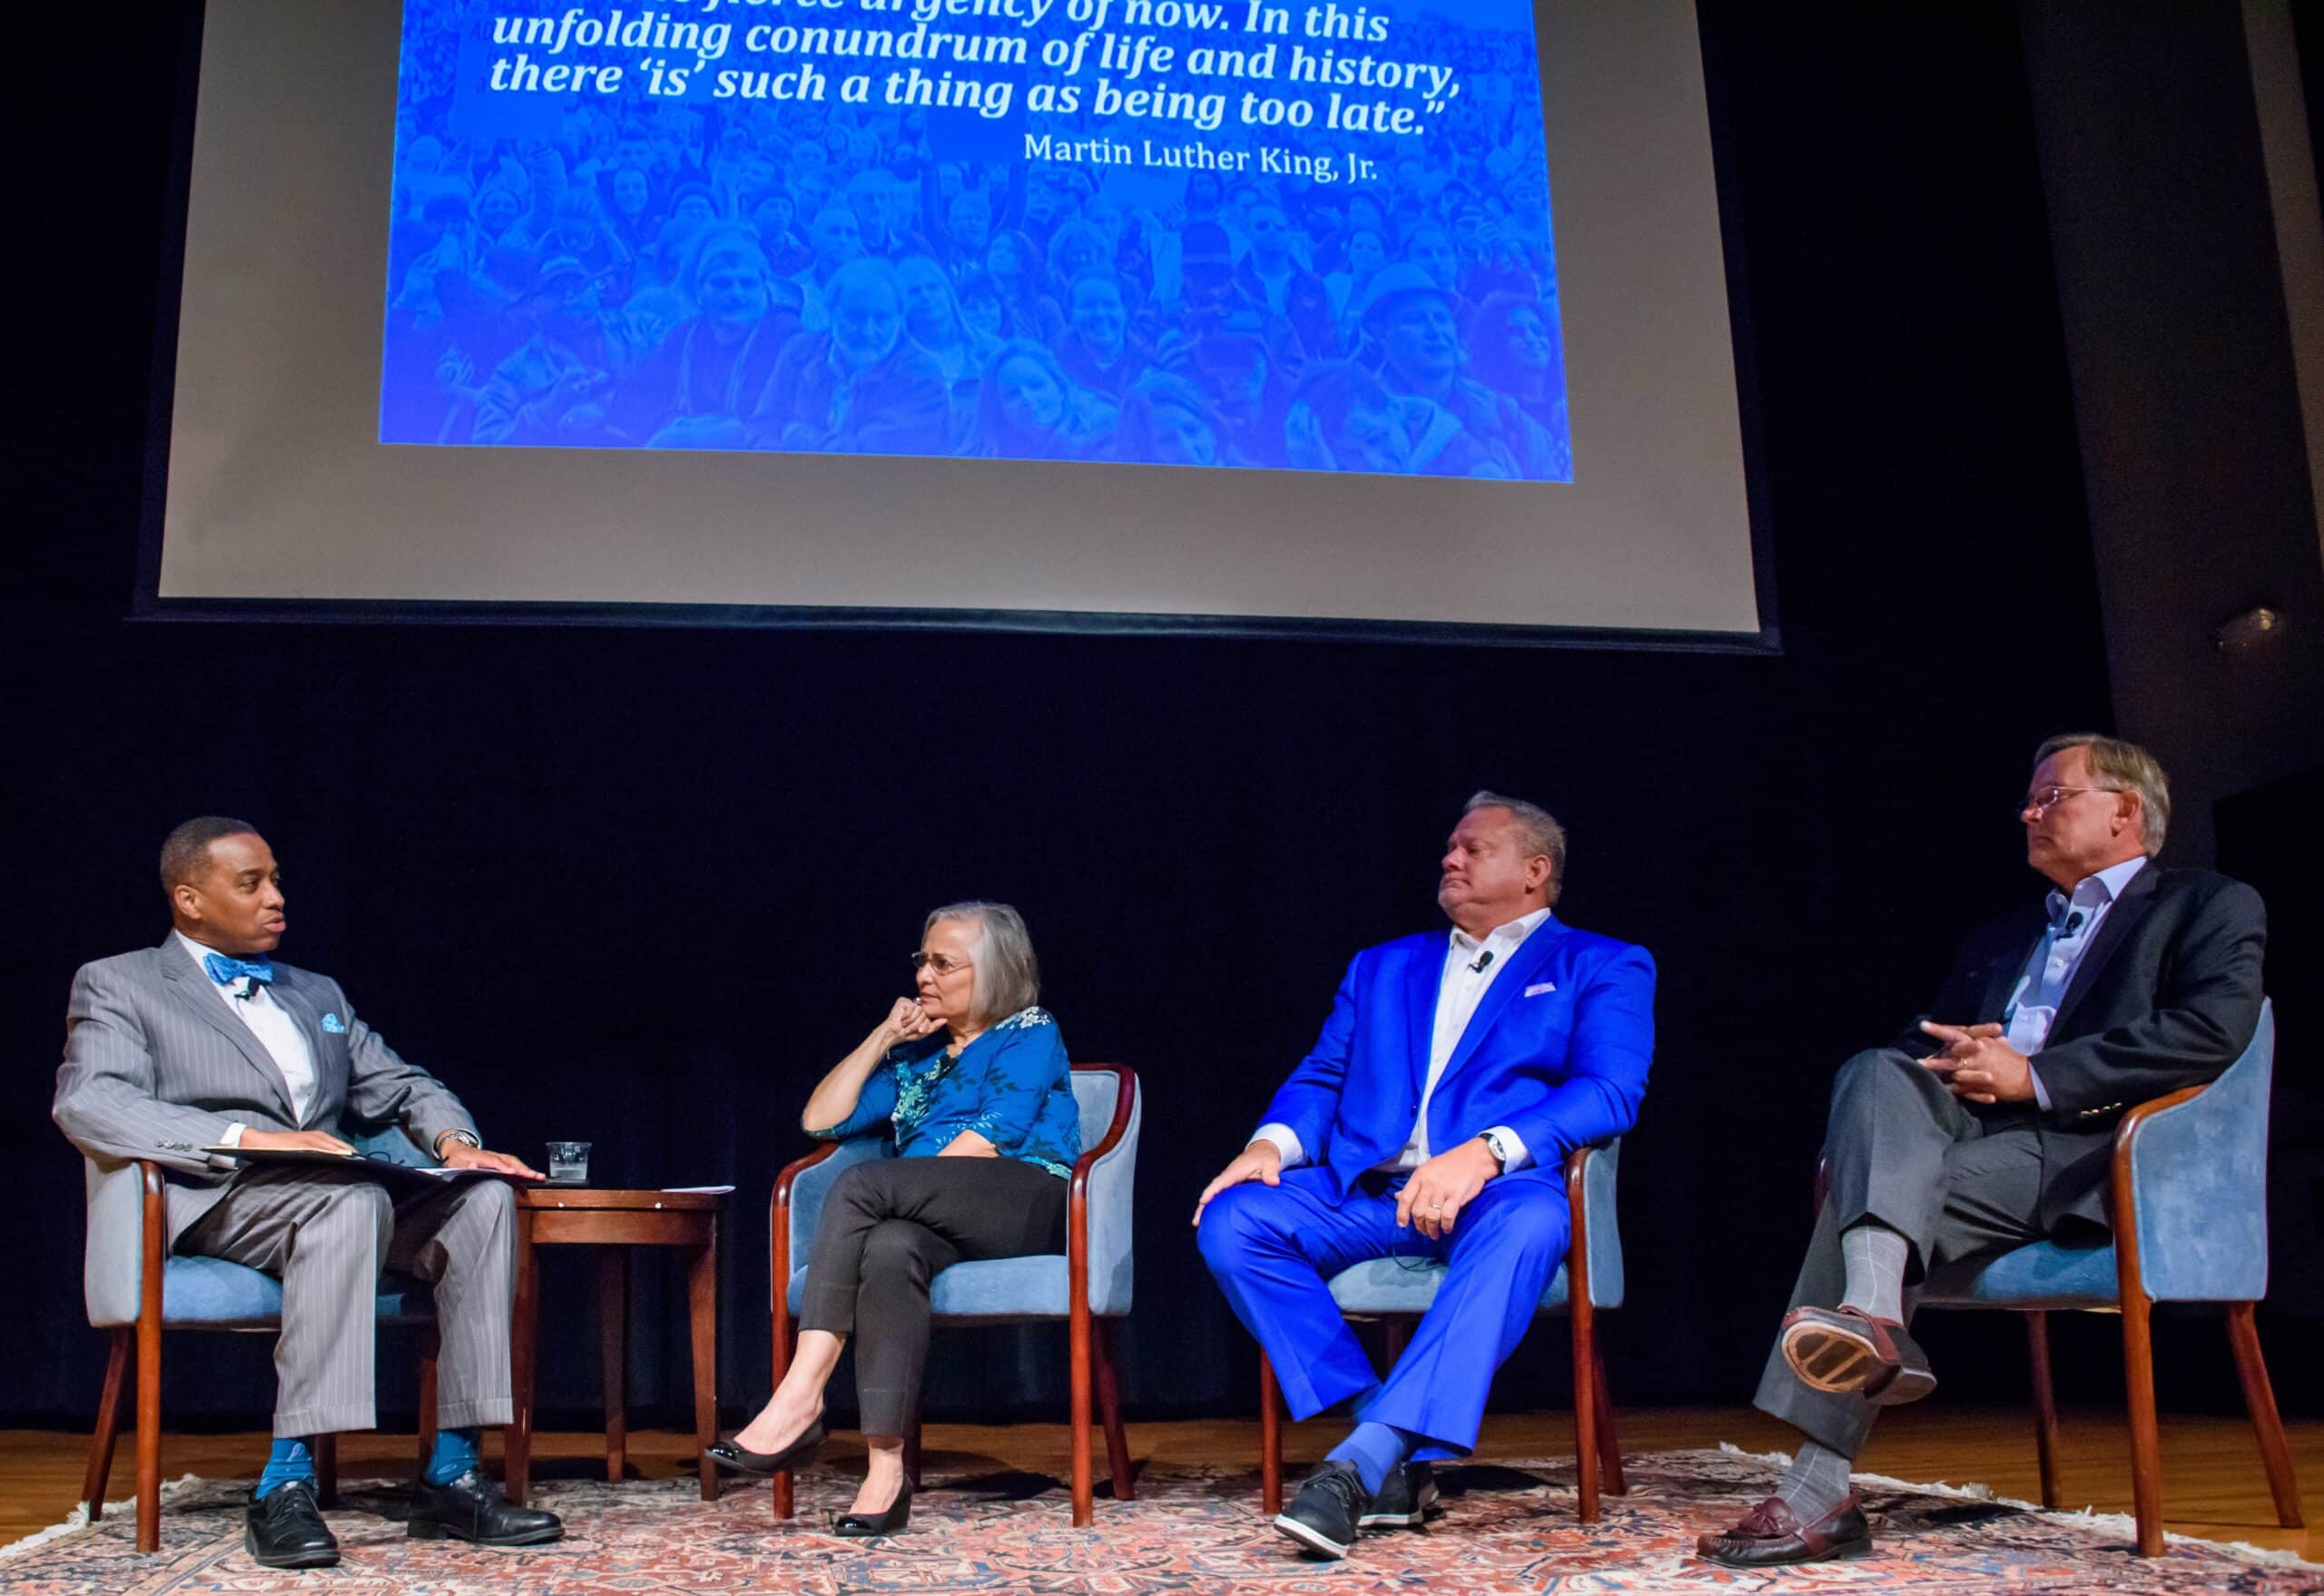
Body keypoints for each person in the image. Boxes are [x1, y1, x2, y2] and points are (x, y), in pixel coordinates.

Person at [1696, 734, 2268, 1569]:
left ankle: (1823, 1476)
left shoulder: (2207, 904)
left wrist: (2034, 1075)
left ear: (2125, 810)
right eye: (2028, 801)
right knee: (1876, 1070)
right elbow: (1911, 1050)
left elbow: (2211, 1031)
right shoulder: (1998, 938)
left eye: (2052, 797)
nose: (2029, 814)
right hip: (1962, 1135)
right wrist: (1953, 1056)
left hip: (2080, 1148)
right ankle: (1874, 1318)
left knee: (1878, 1198)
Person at [51, 818, 561, 1570]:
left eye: (276, 879)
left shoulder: (314, 991)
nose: (275, 898)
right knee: (351, 1203)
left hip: (335, 1194)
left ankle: (451, 1474)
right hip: (217, 1194)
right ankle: (282, 1486)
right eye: (250, 884)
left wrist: (459, 1145)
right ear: (189, 899)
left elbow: (402, 1084)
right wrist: (251, 1140)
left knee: (483, 1200)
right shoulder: (119, 981)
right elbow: (89, 1101)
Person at [1196, 793, 1654, 1561]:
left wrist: (1485, 1151)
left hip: (1499, 1194)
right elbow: (1325, 1075)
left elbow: (1609, 1090)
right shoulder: (1382, 965)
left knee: (1536, 1221)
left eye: (1475, 849)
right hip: (1372, 1194)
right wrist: (1271, 1144)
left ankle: (1357, 1470)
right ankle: (1380, 1433)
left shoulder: (1601, 963)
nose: (1451, 858)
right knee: (1234, 1219)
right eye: (1450, 847)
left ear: (1536, 871)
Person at [709, 903, 1082, 1536]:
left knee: (864, 1188)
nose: (924, 976)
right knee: (887, 1248)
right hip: (927, 1211)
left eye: (943, 963)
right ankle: (885, 1475)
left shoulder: (1030, 1031)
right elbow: (821, 1120)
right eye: (922, 960)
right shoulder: (919, 1066)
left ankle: (800, 1399)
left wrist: (897, 1184)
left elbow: (992, 1136)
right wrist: (884, 1038)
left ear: (992, 973)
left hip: (1021, 1199)